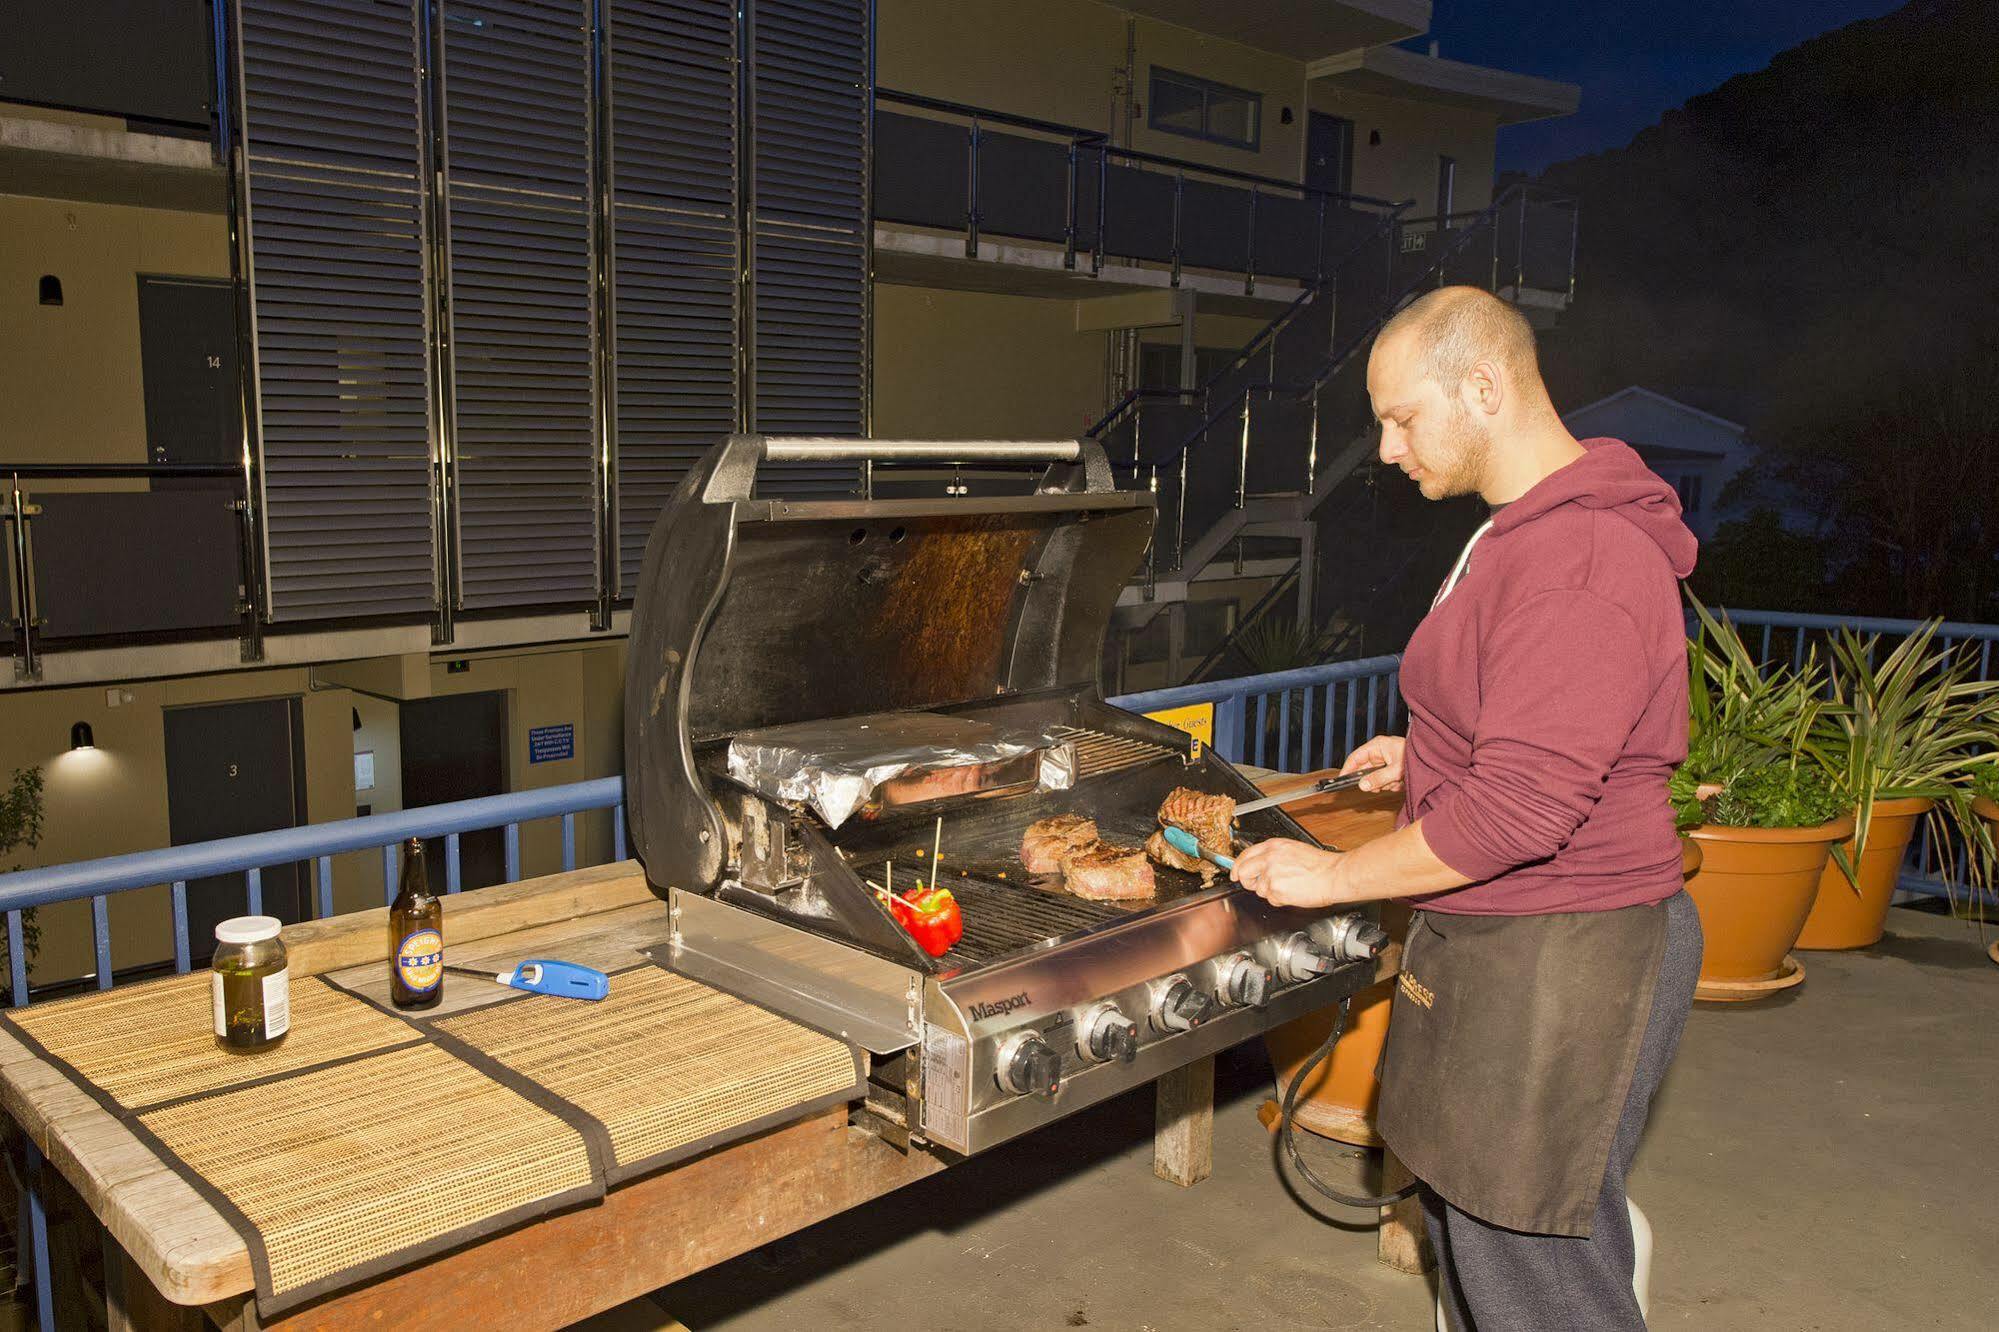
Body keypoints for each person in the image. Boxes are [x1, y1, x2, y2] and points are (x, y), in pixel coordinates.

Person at [1228, 286, 1702, 1329]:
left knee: (1534, 1269)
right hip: (1512, 938)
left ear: (1483, 387)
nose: (1388, 450)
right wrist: (1427, 751)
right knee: (1479, 1228)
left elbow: (1522, 815)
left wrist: (1333, 877)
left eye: (1400, 418)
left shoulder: (1577, 557)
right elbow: (1538, 714)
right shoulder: (1515, 530)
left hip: (1568, 948)